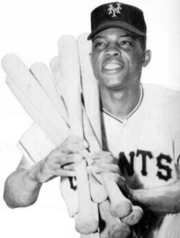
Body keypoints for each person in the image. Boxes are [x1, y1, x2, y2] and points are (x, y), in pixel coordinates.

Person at [4, 2, 180, 238]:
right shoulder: (61, 112)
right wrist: (38, 171)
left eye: (125, 42)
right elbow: (11, 195)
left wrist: (131, 195)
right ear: (90, 59)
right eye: (101, 43)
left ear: (145, 57)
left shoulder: (173, 107)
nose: (111, 50)